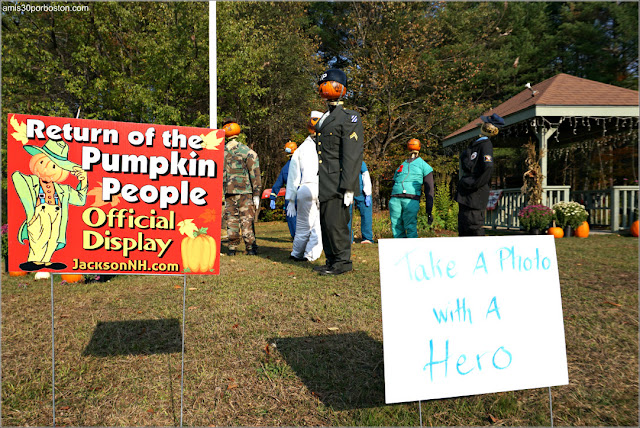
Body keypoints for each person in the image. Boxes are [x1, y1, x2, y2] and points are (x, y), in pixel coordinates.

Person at [313, 68, 364, 276]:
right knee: (326, 223)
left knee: (337, 224)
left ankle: (342, 262)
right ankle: (331, 260)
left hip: (338, 181)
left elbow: (352, 155)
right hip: (324, 179)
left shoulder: (349, 118)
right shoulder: (325, 117)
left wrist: (349, 187)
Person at [12, 139, 88, 271]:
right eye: (42, 162)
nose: (47, 169)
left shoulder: (64, 190)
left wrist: (83, 181)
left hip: (57, 213)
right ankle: (34, 260)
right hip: (39, 213)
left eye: (54, 166)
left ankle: (47, 260)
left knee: (53, 237)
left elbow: (81, 200)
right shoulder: (31, 181)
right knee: (38, 237)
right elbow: (16, 177)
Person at [455, 113, 504, 236]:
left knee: (473, 225)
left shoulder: (485, 145)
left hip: (475, 195)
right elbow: (466, 160)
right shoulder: (476, 144)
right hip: (466, 194)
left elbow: (488, 166)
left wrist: (475, 183)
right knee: (464, 226)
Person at [285, 111, 323, 262]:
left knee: (302, 225)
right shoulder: (328, 146)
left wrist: (291, 198)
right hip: (321, 188)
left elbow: (293, 176)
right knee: (317, 225)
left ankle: (296, 253)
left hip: (304, 189)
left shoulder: (300, 149)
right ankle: (310, 254)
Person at [222, 119, 262, 255]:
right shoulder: (246, 151)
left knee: (231, 219)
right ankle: (250, 247)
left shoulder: (221, 152)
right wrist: (257, 193)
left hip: (227, 191)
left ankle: (232, 248)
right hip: (245, 191)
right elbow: (254, 172)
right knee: (246, 219)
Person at [389, 139, 434, 238]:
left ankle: (408, 251)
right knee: (403, 226)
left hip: (404, 198)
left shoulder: (419, 166)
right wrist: (429, 210)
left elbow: (429, 188)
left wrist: (429, 209)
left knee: (403, 227)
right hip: (403, 199)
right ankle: (405, 251)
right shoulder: (406, 165)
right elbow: (429, 189)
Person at [269, 141, 298, 239]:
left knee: (291, 218)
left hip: (290, 197)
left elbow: (278, 183)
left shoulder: (285, 168)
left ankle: (295, 237)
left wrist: (273, 196)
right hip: (303, 195)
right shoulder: (304, 164)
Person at [348, 161, 374, 244]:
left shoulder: (360, 162)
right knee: (347, 215)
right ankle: (348, 239)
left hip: (361, 192)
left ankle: (367, 238)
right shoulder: (342, 160)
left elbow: (365, 175)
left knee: (366, 214)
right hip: (348, 191)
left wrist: (368, 193)